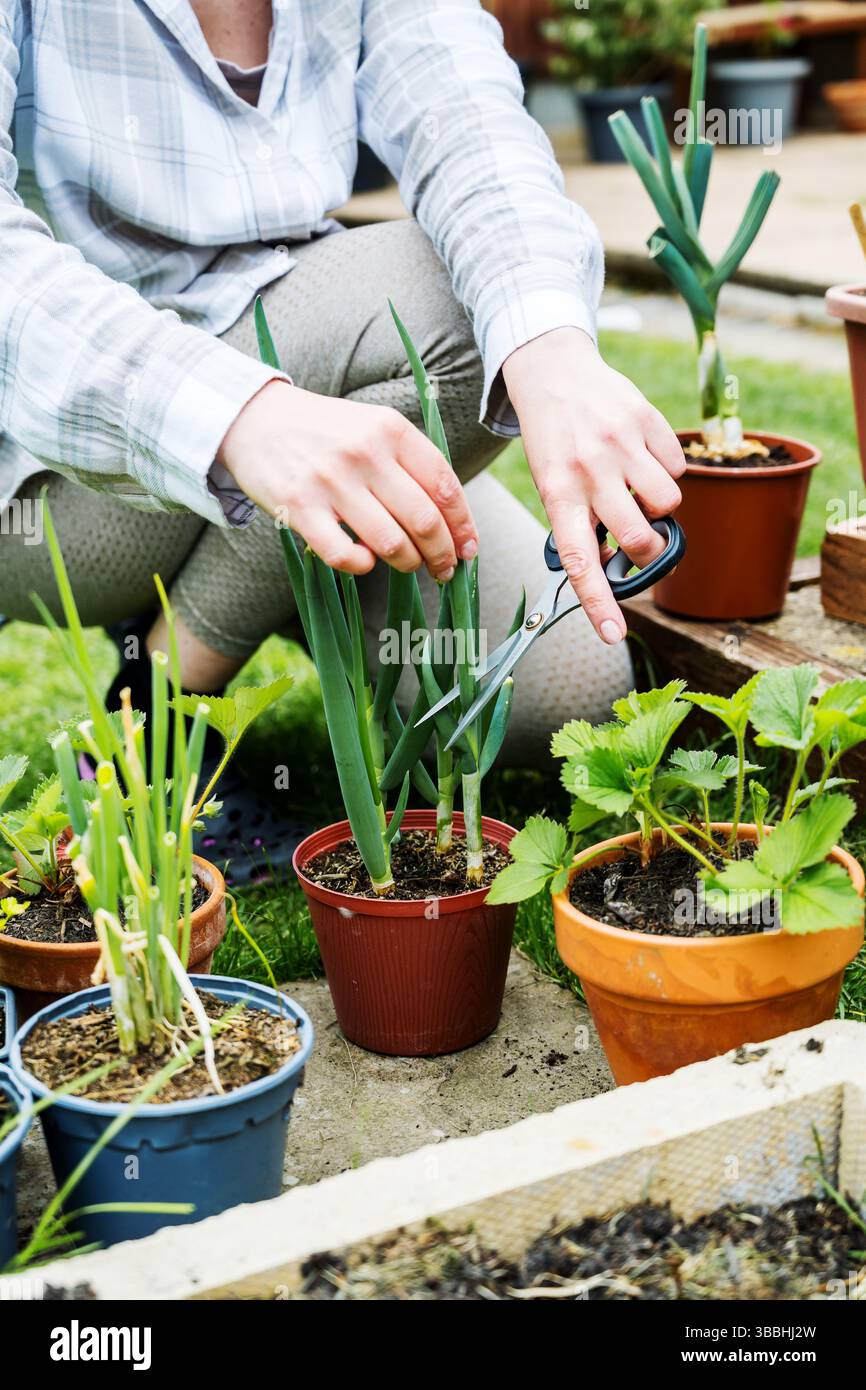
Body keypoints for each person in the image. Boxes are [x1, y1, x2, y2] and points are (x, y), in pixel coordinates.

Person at [0, 1, 684, 877]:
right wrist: (241, 414)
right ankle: (161, 702)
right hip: (56, 474)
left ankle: (243, 574)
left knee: (565, 691)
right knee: (436, 311)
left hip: (316, 375)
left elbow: (467, 118)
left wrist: (549, 345)